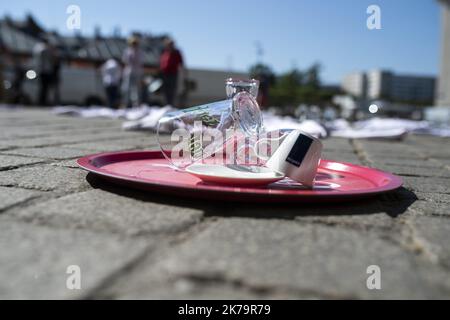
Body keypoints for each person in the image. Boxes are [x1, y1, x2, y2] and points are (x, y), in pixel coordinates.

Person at [159, 38, 185, 106]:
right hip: (165, 74)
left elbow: (181, 63)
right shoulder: (165, 52)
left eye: (170, 44)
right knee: (165, 90)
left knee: (172, 90)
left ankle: (171, 105)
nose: (169, 45)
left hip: (173, 73)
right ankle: (166, 105)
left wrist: (184, 73)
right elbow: (162, 62)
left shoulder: (176, 52)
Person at [122, 36, 144, 108]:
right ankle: (126, 104)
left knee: (137, 89)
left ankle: (137, 104)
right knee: (127, 88)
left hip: (137, 72)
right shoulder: (127, 51)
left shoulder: (140, 52)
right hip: (129, 72)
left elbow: (140, 62)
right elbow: (125, 61)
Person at [33, 39, 54, 106]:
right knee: (44, 88)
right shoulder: (42, 49)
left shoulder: (39, 48)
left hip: (44, 71)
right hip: (44, 71)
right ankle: (42, 101)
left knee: (44, 88)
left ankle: (42, 101)